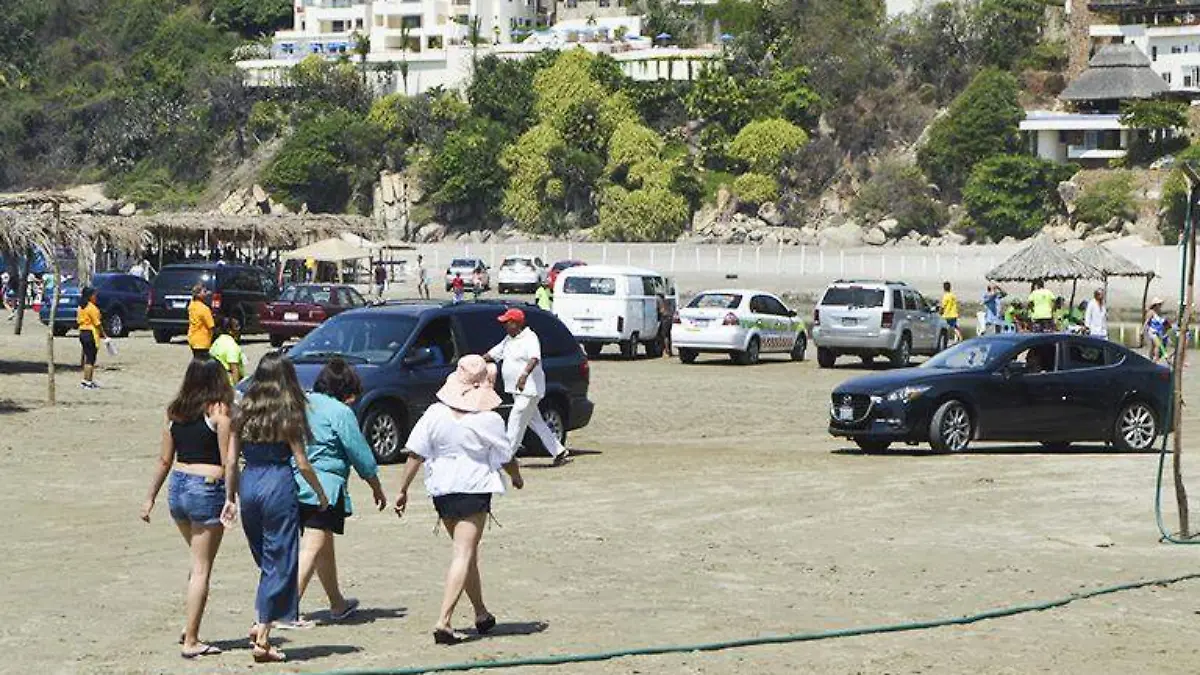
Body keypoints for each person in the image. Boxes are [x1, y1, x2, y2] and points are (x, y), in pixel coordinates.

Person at [393, 355, 524, 645]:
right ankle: (444, 620)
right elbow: (505, 456)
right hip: (473, 488)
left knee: (465, 552)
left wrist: (402, 489)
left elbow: (416, 452)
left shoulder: (434, 413)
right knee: (463, 554)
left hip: (442, 490)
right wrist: (516, 477)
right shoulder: (488, 419)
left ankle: (480, 613)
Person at [222, 353, 329, 663]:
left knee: (266, 559)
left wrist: (230, 497)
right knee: (280, 557)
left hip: (249, 483)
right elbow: (302, 462)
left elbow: (230, 461)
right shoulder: (288, 415)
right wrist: (319, 493)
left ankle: (260, 622)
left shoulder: (243, 413)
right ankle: (264, 638)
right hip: (277, 483)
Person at [139, 359, 235, 659]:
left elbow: (163, 460)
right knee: (202, 568)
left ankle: (188, 626)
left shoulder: (175, 411)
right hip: (206, 487)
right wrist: (232, 497)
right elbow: (227, 460)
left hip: (178, 487)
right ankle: (192, 640)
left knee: (197, 563)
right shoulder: (220, 411)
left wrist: (150, 498)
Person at [287, 359, 387, 627]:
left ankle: (337, 603)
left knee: (322, 545)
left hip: (295, 482)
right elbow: (359, 452)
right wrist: (375, 485)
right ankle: (287, 607)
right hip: (325, 488)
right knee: (313, 545)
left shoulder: (303, 404)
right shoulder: (340, 412)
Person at [484, 308, 570, 466]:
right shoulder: (509, 339)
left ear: (517, 323)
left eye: (507, 323)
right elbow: (494, 354)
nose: (505, 326)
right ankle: (559, 451)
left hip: (529, 390)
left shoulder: (530, 338)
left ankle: (505, 457)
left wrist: (524, 375)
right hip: (516, 390)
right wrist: (476, 361)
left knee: (516, 420)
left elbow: (534, 358)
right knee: (536, 422)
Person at [77, 286, 106, 389]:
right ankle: (87, 382)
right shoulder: (92, 308)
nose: (96, 297)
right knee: (91, 359)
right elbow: (97, 323)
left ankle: (86, 380)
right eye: (94, 295)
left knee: (88, 358)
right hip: (90, 333)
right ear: (90, 296)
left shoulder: (81, 307)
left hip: (82, 332)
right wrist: (105, 336)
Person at [209, 316, 247, 385]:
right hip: (228, 384)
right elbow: (234, 370)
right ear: (230, 330)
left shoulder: (217, 342)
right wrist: (237, 390)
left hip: (215, 381)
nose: (239, 329)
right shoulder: (232, 346)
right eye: (237, 327)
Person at [187, 284, 216, 360]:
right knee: (202, 362)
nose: (207, 293)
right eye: (205, 292)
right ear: (199, 294)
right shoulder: (204, 309)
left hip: (193, 338)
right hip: (202, 340)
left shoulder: (192, 305)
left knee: (196, 360)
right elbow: (211, 326)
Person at [1146, 298, 1168, 363]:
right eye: (1159, 304)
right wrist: (1143, 330)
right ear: (1155, 305)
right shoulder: (1151, 312)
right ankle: (1155, 359)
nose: (1160, 305)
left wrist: (1165, 329)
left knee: (1153, 346)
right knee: (1158, 345)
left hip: (1158, 331)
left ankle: (1151, 359)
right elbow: (1147, 321)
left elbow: (1162, 322)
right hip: (1152, 331)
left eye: (1160, 304)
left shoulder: (1159, 312)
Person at [656, 293, 673, 358]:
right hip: (670, 317)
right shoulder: (667, 301)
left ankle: (667, 351)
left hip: (665, 317)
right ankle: (670, 351)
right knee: (668, 335)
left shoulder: (658, 300)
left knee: (664, 335)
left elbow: (659, 310)